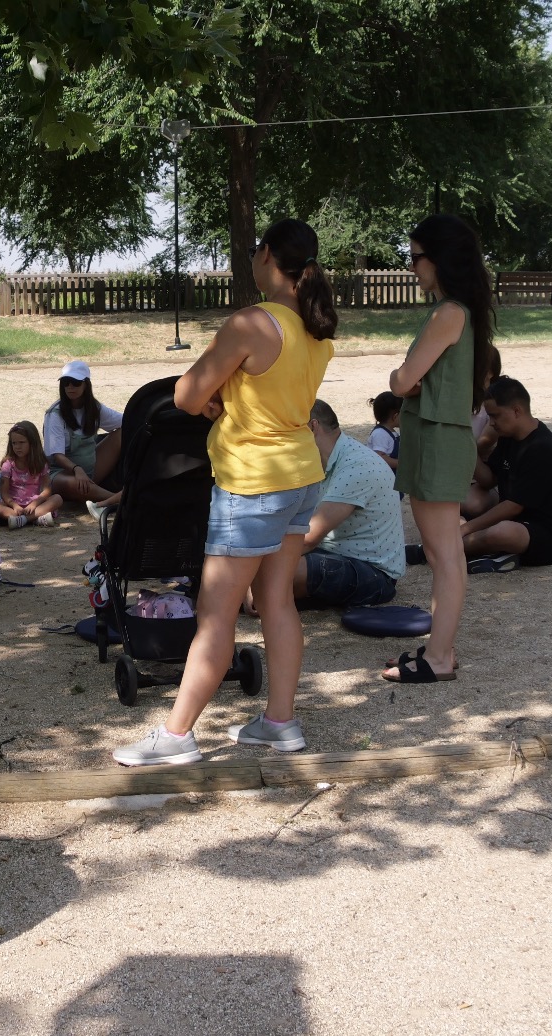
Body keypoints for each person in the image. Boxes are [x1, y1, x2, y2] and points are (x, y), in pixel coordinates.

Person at [113, 217, 336, 766]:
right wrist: (226, 396)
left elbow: (186, 395)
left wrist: (214, 399)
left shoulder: (251, 322)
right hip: (301, 474)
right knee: (278, 602)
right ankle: (279, 723)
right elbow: (264, 391)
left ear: (267, 256)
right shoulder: (315, 327)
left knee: (216, 615)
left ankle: (177, 734)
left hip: (252, 482)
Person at [382, 214, 499, 686]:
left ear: (440, 258)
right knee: (446, 552)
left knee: (443, 555)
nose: (411, 267)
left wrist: (400, 378)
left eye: (415, 257)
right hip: (441, 438)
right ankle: (441, 648)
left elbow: (402, 381)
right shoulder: (462, 312)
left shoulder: (448, 313)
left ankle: (439, 657)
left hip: (436, 441)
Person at [411, 376, 552, 573]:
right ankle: (492, 554)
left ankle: (433, 551)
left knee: (502, 532)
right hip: (517, 520)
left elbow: (513, 506)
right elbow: (488, 480)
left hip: (548, 535)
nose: (492, 423)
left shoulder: (541, 447)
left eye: (495, 416)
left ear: (516, 411)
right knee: (468, 506)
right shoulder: (511, 435)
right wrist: (467, 449)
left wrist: (466, 529)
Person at [281, 399, 403, 609]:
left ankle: (264, 591)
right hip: (333, 555)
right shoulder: (321, 460)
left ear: (312, 427)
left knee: (281, 571)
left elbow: (309, 538)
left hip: (374, 573)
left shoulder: (358, 466)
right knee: (270, 570)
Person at [43, 361, 125, 508]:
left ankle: (116, 495)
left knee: (122, 434)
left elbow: (125, 421)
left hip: (90, 470)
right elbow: (57, 456)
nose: (70, 387)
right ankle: (117, 499)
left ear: (86, 384)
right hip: (60, 473)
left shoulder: (95, 408)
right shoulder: (54, 414)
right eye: (66, 383)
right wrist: (77, 469)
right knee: (77, 484)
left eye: (75, 383)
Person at [0, 421, 62, 528]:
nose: (17, 447)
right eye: (14, 443)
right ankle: (36, 519)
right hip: (14, 506)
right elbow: (4, 493)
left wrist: (35, 503)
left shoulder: (40, 463)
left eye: (22, 442)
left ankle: (23, 520)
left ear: (32, 443)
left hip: (34, 504)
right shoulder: (8, 465)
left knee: (57, 499)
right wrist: (14, 505)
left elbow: (47, 490)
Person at [368, 392, 401, 472]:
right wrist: (401, 464)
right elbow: (380, 457)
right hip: (383, 474)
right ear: (395, 416)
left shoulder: (391, 432)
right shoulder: (380, 434)